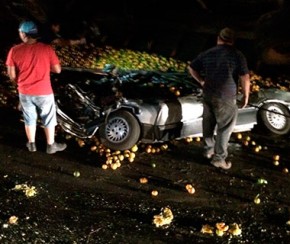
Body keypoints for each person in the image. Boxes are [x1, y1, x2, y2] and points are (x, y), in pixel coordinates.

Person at [188, 27, 250, 170]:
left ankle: (208, 149)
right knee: (225, 127)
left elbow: (191, 68)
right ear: (233, 41)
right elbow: (245, 77)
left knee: (208, 123)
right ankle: (219, 158)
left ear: (219, 38)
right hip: (226, 97)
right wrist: (246, 95)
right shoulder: (237, 55)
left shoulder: (208, 53)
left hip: (208, 94)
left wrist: (202, 81)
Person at [5, 20, 67, 154]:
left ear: (23, 34)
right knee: (48, 117)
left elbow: (11, 73)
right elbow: (57, 70)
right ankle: (51, 145)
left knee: (29, 117)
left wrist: (18, 84)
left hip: (25, 91)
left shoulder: (14, 50)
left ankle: (32, 144)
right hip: (44, 91)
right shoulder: (46, 49)